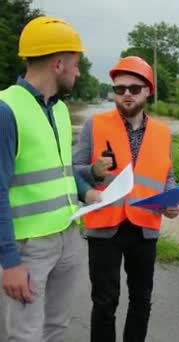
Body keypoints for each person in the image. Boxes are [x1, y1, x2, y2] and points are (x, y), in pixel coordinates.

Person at [0, 16, 101, 341]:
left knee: (56, 328)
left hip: (68, 235)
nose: (79, 71)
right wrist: (10, 261)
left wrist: (86, 191)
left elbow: (61, 170)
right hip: (29, 248)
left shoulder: (58, 109)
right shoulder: (6, 110)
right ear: (59, 64)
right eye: (76, 64)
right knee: (26, 335)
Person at [73, 56, 179, 342]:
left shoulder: (163, 133)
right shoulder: (94, 126)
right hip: (104, 227)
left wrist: (171, 201)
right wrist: (90, 180)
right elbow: (73, 171)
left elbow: (167, 174)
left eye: (134, 88)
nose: (127, 94)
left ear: (148, 90)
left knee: (141, 302)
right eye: (120, 89)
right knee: (105, 302)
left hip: (144, 227)